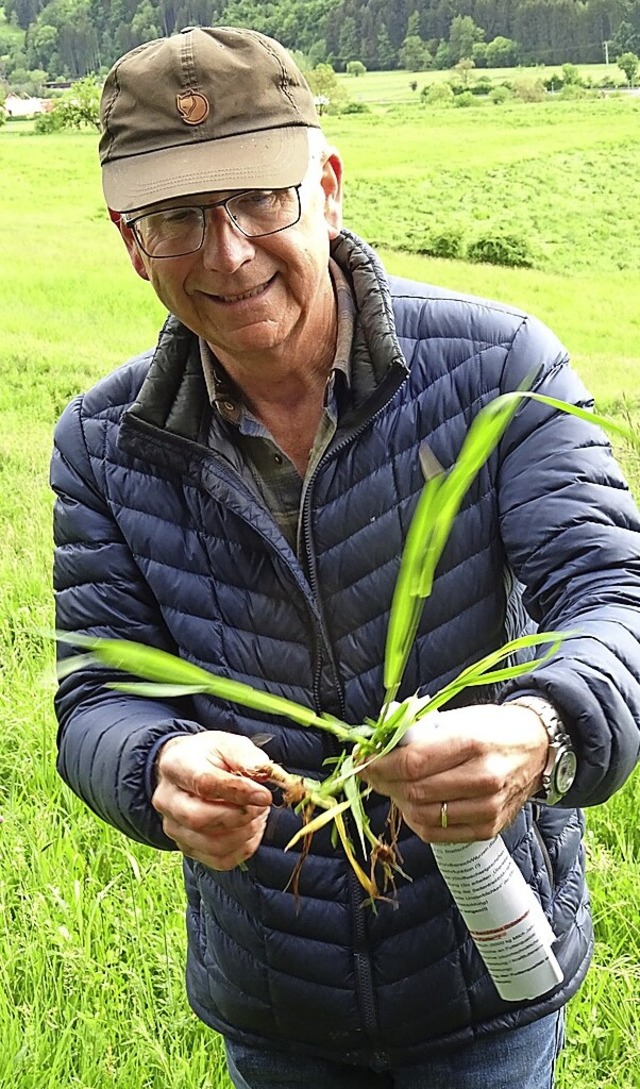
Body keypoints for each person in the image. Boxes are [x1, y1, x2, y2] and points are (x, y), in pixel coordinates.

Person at [51, 26, 640, 1089]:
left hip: (478, 971)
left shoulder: (500, 366)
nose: (227, 252)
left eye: (259, 199)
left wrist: (537, 725)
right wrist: (153, 768)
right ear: (130, 240)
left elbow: (613, 594)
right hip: (275, 997)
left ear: (324, 185)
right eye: (178, 216)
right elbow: (97, 690)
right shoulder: (102, 443)